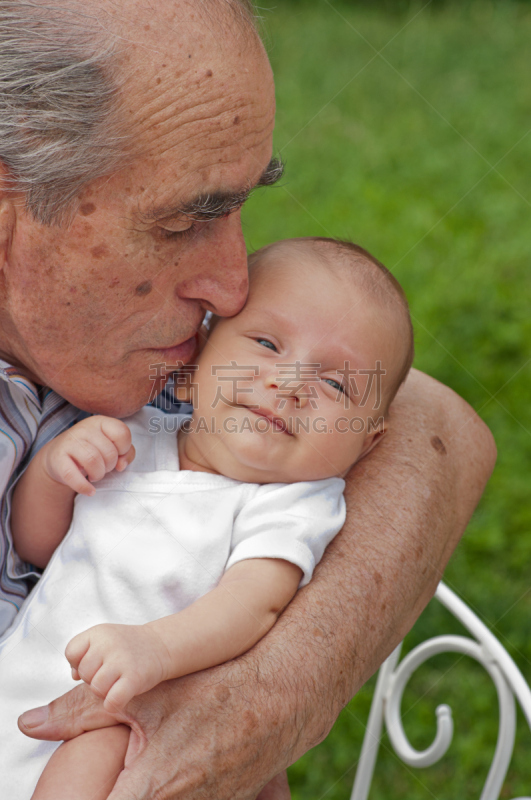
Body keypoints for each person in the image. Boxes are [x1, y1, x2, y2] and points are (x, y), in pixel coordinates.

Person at [0, 2, 496, 799]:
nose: (234, 288)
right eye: (184, 221)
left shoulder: (185, 372)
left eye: (237, 207)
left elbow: (436, 423)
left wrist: (262, 697)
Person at [3, 236, 413, 800]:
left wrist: (157, 649)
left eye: (336, 384)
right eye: (267, 343)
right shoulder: (136, 436)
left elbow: (253, 603)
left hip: (125, 717)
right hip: (19, 687)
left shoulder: (290, 504)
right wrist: (54, 473)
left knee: (97, 753)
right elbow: (36, 544)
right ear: (196, 365)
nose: (288, 384)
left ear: (366, 443)